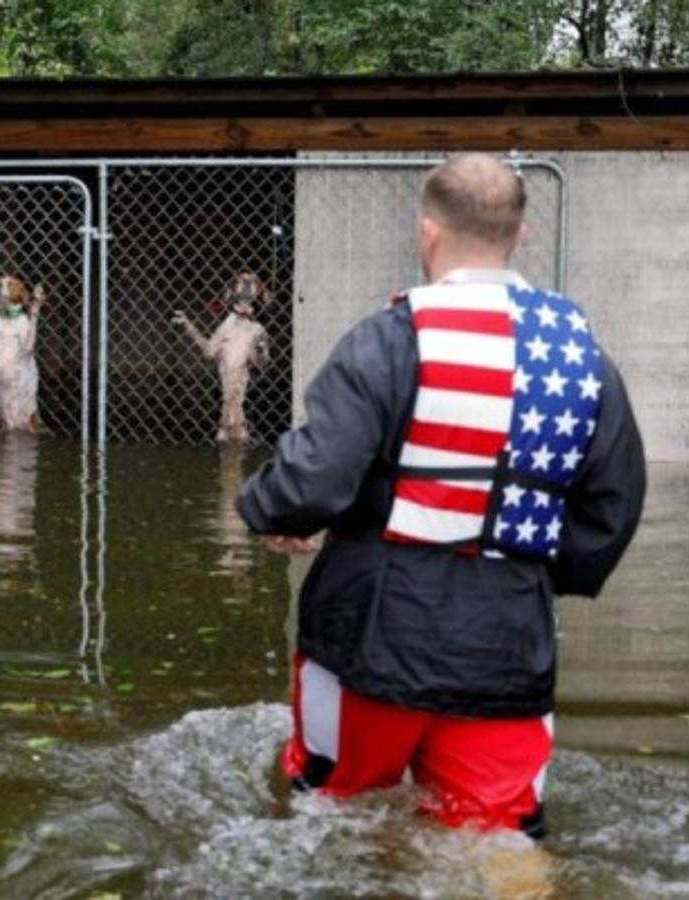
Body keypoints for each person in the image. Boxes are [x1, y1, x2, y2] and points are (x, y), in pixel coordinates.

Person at [236, 153, 646, 837]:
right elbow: (613, 506)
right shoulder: (581, 357)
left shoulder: (388, 339)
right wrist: (528, 575)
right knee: (500, 840)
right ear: (519, 235)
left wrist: (271, 510)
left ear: (426, 232)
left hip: (372, 632)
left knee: (330, 814)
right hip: (508, 641)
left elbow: (314, 479)